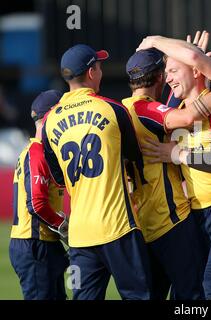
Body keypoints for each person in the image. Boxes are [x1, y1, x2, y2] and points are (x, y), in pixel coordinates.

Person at [137, 36, 211, 300]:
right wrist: (188, 52)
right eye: (166, 74)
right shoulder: (177, 109)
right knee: (190, 289)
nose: (168, 79)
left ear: (197, 71)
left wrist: (175, 153)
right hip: (196, 215)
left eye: (174, 71)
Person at [41, 44, 152, 300]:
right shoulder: (113, 110)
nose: (101, 72)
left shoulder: (50, 121)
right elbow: (136, 161)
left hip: (80, 235)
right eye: (99, 67)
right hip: (118, 227)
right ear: (91, 72)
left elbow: (58, 177)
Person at [9, 89, 69, 300]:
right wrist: (64, 226)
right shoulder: (38, 152)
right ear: (51, 116)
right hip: (35, 243)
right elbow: (36, 203)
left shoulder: (40, 151)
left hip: (40, 242)